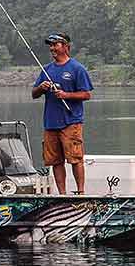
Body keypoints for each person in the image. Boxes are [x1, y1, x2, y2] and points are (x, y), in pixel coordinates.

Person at [32, 32, 93, 194]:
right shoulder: (47, 70)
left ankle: (81, 193)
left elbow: (86, 94)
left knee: (75, 158)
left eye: (56, 44)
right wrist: (41, 88)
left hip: (71, 122)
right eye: (50, 45)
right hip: (51, 122)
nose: (52, 48)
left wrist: (66, 95)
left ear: (66, 47)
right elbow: (34, 94)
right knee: (55, 161)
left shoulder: (77, 68)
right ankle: (62, 194)